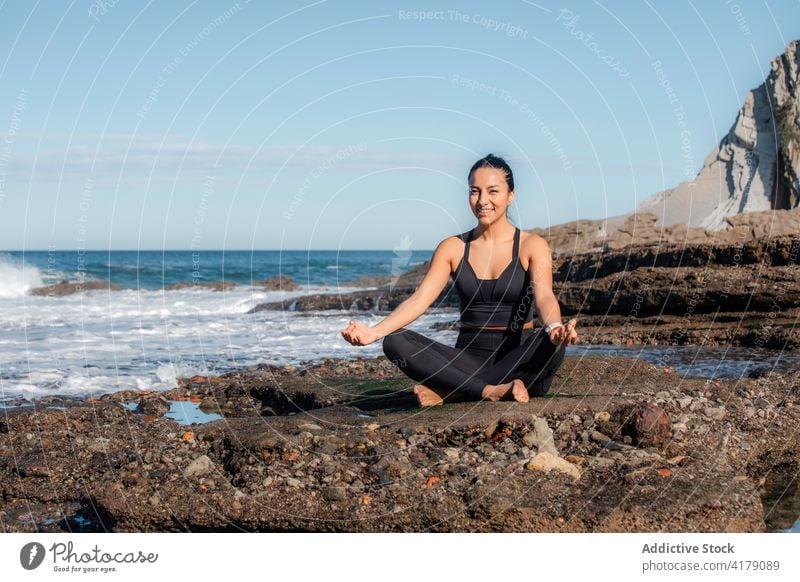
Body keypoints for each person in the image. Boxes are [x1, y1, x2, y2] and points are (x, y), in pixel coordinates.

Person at [340, 153, 579, 407]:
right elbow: (420, 299)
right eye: (475, 191)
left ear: (511, 195)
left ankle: (456, 390)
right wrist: (374, 333)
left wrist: (555, 327)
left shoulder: (532, 245)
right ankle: (489, 390)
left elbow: (544, 295)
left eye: (493, 191)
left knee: (551, 343)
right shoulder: (452, 248)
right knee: (395, 341)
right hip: (467, 359)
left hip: (517, 358)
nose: (483, 201)